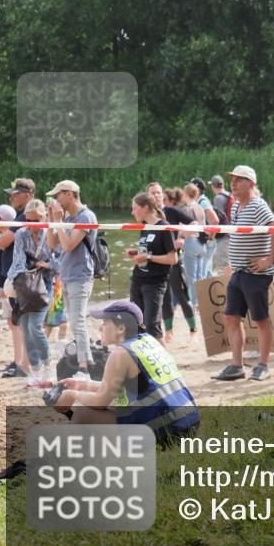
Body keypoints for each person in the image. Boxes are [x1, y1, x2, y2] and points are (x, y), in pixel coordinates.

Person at [53, 300, 199, 447]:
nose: (100, 327)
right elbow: (119, 389)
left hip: (167, 432)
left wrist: (73, 395)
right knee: (117, 402)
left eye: (105, 322)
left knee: (83, 414)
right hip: (188, 423)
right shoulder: (150, 341)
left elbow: (100, 402)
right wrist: (82, 385)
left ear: (121, 328)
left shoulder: (120, 353)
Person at [212, 165, 274, 382]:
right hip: (239, 272)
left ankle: (263, 365)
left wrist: (268, 260)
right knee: (231, 317)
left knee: (261, 320)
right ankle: (237, 365)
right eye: (232, 179)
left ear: (250, 184)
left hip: (256, 274)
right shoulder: (235, 207)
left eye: (238, 180)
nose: (233, 183)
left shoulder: (258, 206)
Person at [45, 180, 98, 377]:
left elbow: (68, 246)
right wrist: (52, 221)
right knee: (76, 321)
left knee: (77, 322)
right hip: (66, 275)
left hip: (81, 276)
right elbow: (52, 244)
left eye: (58, 195)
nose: (56, 199)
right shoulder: (67, 217)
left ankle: (84, 366)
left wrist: (59, 222)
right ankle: (87, 360)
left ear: (69, 194)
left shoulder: (86, 216)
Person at [7, 199, 55, 384]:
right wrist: (12, 283)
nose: (31, 225)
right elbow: (17, 260)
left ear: (43, 218)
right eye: (28, 220)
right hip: (25, 286)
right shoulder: (20, 233)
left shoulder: (50, 233)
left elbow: (59, 262)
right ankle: (35, 371)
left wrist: (47, 265)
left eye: (35, 221)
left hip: (45, 286)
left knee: (35, 326)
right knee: (26, 328)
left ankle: (48, 367)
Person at [126, 192, 178, 341]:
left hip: (155, 283)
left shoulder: (164, 227)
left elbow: (173, 258)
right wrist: (136, 254)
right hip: (138, 279)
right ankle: (141, 361)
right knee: (136, 323)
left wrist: (148, 257)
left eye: (135, 208)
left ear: (146, 208)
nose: (132, 212)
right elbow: (147, 251)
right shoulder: (144, 226)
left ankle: (166, 362)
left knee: (151, 326)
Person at [0, 180, 32, 378]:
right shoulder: (21, 215)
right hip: (15, 276)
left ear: (27, 195)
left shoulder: (27, 215)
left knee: (24, 322)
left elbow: (2, 241)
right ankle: (20, 362)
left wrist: (0, 240)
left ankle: (24, 365)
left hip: (22, 277)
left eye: (16, 194)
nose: (12, 197)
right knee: (18, 322)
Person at [154, 185, 198, 343]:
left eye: (159, 193)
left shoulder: (170, 211)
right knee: (164, 297)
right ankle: (169, 332)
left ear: (163, 196)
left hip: (173, 260)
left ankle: (193, 330)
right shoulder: (149, 216)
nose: (156, 196)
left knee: (180, 294)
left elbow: (194, 223)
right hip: (157, 261)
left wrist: (182, 237)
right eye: (153, 193)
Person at [209, 175, 233, 277]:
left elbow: (219, 217)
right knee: (228, 261)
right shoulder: (229, 195)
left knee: (224, 263)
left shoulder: (218, 198)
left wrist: (212, 235)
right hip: (232, 232)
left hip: (224, 235)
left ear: (213, 186)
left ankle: (228, 285)